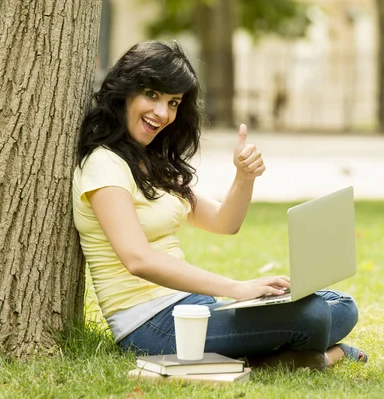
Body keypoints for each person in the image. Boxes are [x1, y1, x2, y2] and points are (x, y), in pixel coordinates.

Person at [72, 41, 366, 369]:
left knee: (340, 305)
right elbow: (138, 260)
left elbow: (225, 223)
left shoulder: (153, 164)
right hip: (149, 324)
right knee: (312, 315)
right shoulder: (104, 163)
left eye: (173, 103)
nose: (162, 113)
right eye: (152, 95)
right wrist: (237, 288)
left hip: (193, 307)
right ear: (125, 91)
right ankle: (303, 358)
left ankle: (281, 357)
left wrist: (244, 176)